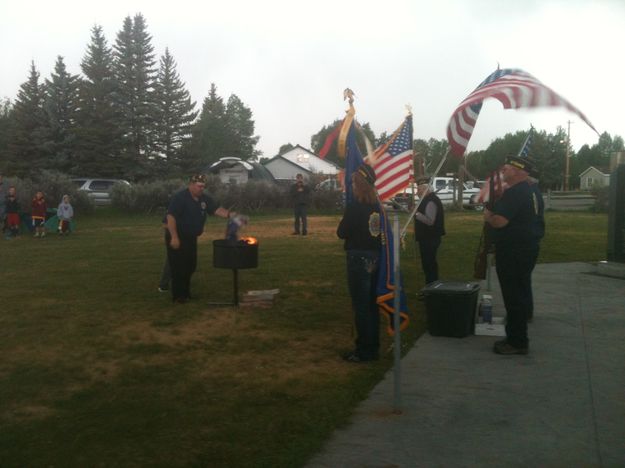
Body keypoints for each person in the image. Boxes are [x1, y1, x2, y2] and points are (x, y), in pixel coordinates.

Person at [484, 155, 543, 355]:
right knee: (520, 288)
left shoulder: (516, 192)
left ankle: (517, 341)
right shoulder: (530, 190)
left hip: (513, 251)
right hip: (527, 248)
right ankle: (521, 325)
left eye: (507, 168)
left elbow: (500, 221)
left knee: (513, 296)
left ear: (519, 171)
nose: (503, 171)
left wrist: (488, 216)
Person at [337, 164, 382, 363]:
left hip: (358, 258)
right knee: (372, 304)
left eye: (354, 181)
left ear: (360, 184)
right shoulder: (377, 206)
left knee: (361, 306)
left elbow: (341, 232)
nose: (352, 185)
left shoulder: (355, 206)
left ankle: (364, 350)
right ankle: (373, 346)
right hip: (374, 257)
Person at [166, 174, 231, 304]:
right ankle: (178, 296)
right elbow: (171, 217)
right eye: (199, 186)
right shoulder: (180, 198)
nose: (201, 189)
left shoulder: (204, 199)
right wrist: (174, 237)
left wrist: (230, 214)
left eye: (203, 186)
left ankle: (186, 293)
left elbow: (216, 209)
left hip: (191, 237)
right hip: (177, 235)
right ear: (191, 184)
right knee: (179, 266)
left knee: (190, 265)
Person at [413, 176, 446, 285]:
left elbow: (430, 221)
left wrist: (416, 214)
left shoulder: (430, 201)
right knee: (429, 263)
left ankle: (432, 285)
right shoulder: (427, 200)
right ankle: (432, 285)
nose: (417, 192)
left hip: (430, 238)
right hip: (428, 237)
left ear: (426, 189)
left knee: (429, 263)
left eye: (420, 189)